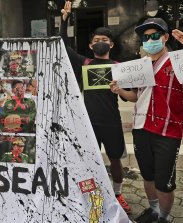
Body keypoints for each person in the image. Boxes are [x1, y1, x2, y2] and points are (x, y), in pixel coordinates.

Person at [60, 1, 131, 214]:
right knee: (88, 161)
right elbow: (63, 44)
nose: (101, 42)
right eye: (97, 40)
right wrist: (64, 21)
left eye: (105, 40)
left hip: (111, 121)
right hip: (88, 122)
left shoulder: (119, 68)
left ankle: (118, 195)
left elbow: (130, 96)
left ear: (111, 45)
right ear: (91, 46)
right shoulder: (85, 64)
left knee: (116, 159)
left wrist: (121, 90)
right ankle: (92, 197)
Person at [110, 18, 183, 223]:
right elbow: (136, 97)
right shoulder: (140, 67)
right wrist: (120, 90)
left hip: (168, 131)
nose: (150, 40)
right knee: (148, 176)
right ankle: (153, 211)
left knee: (163, 183)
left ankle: (164, 218)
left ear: (166, 37)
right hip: (141, 128)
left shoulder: (177, 62)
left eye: (155, 35)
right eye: (145, 37)